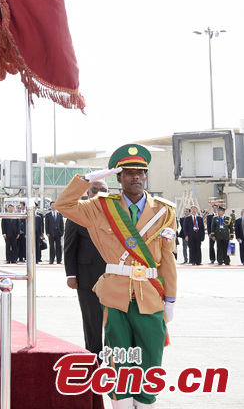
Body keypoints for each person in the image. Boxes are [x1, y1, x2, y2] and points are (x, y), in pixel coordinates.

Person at [53, 144, 177, 409]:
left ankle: (145, 403)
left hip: (150, 294)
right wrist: (87, 179)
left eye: (141, 173)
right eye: (129, 173)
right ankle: (121, 404)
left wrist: (171, 298)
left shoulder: (164, 211)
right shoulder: (100, 207)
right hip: (116, 295)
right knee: (118, 356)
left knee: (151, 355)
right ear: (118, 178)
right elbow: (63, 205)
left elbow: (167, 258)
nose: (136, 177)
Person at [63, 179, 108, 357]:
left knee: (114, 321)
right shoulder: (78, 214)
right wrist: (71, 275)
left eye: (103, 189)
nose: (98, 193)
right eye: (94, 190)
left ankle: (112, 357)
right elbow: (69, 247)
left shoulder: (116, 214)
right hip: (87, 277)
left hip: (113, 277)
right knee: (92, 319)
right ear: (87, 193)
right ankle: (94, 356)